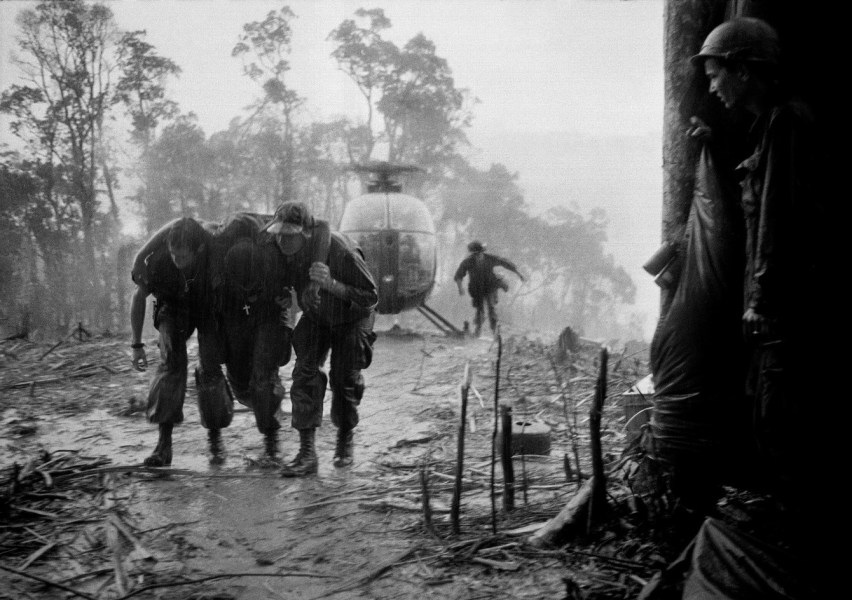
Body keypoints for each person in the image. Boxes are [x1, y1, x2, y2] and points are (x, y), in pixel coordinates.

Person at [202, 211, 330, 466]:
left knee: (263, 376)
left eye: (254, 286)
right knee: (210, 374)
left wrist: (287, 310)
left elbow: (321, 227)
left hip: (268, 314)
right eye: (244, 287)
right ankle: (214, 435)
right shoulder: (215, 271)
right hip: (229, 316)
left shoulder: (275, 256)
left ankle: (271, 439)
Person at [263, 201, 378, 477]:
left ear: (304, 234)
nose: (282, 240)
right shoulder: (282, 253)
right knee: (304, 373)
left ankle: (344, 438)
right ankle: (307, 453)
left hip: (352, 317)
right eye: (278, 233)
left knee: (344, 377)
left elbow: (371, 298)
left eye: (289, 235)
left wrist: (332, 285)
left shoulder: (341, 252)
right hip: (318, 316)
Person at [130, 216, 232, 467]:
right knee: (171, 364)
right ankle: (163, 445)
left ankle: (215, 437)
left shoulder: (216, 254)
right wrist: (136, 345)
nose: (177, 261)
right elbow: (139, 297)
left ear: (198, 250)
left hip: (208, 309)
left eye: (183, 257)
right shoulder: (162, 261)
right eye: (173, 254)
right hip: (173, 309)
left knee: (210, 369)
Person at [454, 240, 524, 337]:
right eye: (475, 254)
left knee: (491, 309)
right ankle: (477, 332)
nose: (477, 256)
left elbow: (505, 263)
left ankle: (495, 333)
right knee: (480, 310)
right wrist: (460, 288)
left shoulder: (489, 259)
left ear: (482, 252)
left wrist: (518, 273)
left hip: (490, 287)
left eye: (479, 254)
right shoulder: (468, 262)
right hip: (476, 289)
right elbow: (458, 276)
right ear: (472, 254)